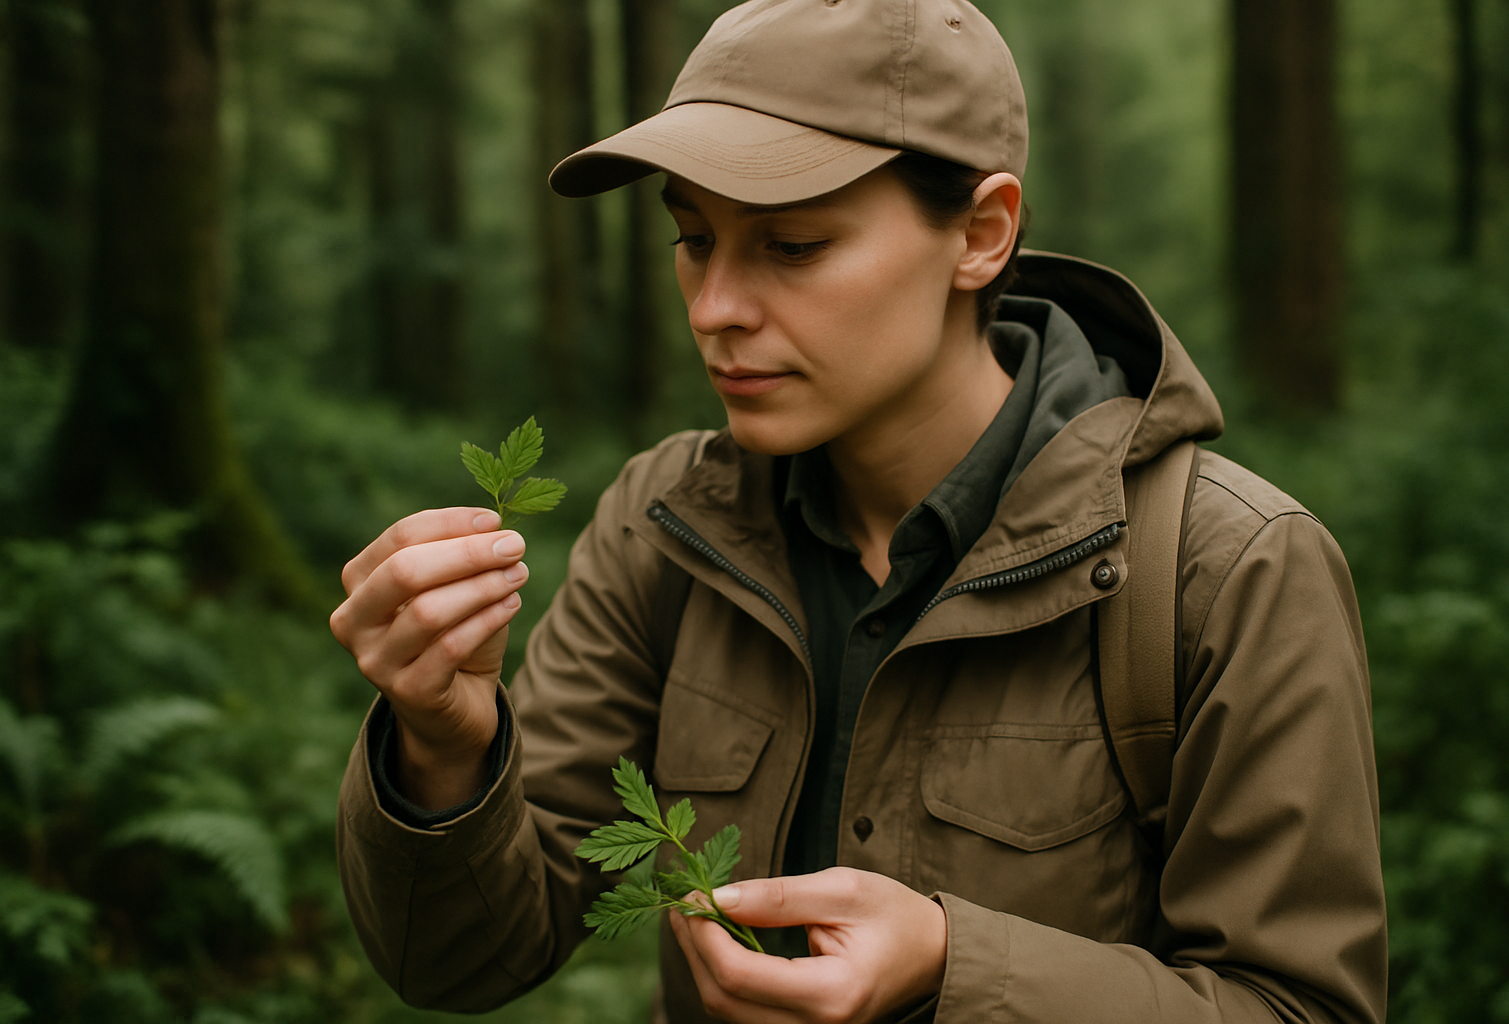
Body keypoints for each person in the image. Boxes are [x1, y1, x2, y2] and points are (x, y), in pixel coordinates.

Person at [330, 1, 1388, 1021]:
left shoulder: (1226, 569)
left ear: (981, 233)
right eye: (694, 240)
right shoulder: (665, 525)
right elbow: (461, 955)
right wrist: (442, 748)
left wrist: (950, 966)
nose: (715, 308)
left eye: (791, 246)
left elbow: (1301, 1005)